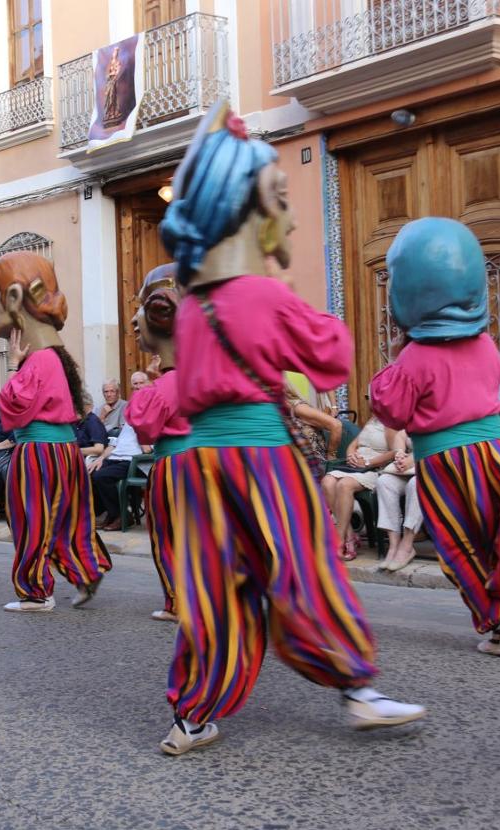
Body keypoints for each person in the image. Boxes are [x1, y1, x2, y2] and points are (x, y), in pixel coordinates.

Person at [155, 103, 424, 756]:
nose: (293, 214)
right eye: (281, 197)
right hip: (263, 460)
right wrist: (296, 296)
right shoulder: (267, 296)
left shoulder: (192, 309)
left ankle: (193, 715)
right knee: (303, 572)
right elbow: (332, 356)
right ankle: (357, 689)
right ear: (249, 210)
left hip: (199, 463)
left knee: (213, 588)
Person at [371, 217, 500, 658]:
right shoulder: (487, 345)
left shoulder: (414, 356)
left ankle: (498, 630)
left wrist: (394, 358)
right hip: (493, 450)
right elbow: (496, 392)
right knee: (498, 530)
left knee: (459, 544)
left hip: (443, 459)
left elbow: (391, 409)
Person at [0, 251, 111, 612]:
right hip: (62, 451)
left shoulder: (37, 360)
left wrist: (11, 367)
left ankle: (36, 592)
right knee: (67, 519)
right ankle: (86, 571)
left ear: (12, 300)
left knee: (30, 519)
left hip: (39, 452)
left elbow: (14, 409)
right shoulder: (53, 357)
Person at [125, 264, 190, 621]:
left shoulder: (167, 385)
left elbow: (146, 428)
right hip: (198, 462)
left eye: (142, 307)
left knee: (169, 534)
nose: (135, 320)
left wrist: (151, 386)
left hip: (174, 466)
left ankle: (179, 601)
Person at [321, 415, 397, 561]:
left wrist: (368, 463)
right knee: (327, 482)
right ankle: (349, 534)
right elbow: (354, 443)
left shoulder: (394, 420)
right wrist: (351, 456)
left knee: (344, 485)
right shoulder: (373, 418)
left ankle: (340, 540)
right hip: (355, 466)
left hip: (376, 469)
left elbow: (395, 452)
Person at [87, 373, 153, 531]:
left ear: (149, 384)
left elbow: (148, 447)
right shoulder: (133, 409)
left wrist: (142, 434)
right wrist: (101, 458)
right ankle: (110, 513)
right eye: (134, 384)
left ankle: (123, 515)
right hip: (117, 456)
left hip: (132, 460)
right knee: (90, 472)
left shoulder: (151, 408)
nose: (137, 387)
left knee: (101, 476)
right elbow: (116, 442)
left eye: (141, 383)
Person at [375, 430, 421, 572]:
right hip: (409, 468)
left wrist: (413, 458)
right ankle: (394, 544)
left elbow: (440, 443)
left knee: (416, 485)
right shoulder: (415, 413)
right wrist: (400, 452)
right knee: (384, 482)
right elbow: (401, 435)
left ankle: (407, 545)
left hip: (432, 468)